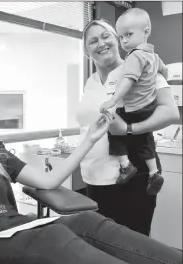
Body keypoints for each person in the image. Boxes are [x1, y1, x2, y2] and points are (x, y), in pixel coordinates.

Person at [0, 89, 182, 264]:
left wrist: (90, 139)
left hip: (20, 229)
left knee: (88, 221)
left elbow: (49, 181)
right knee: (52, 236)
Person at [76, 19, 180, 235]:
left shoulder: (142, 65)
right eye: (93, 41)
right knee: (102, 245)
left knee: (133, 245)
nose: (101, 43)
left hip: (132, 175)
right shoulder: (91, 81)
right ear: (86, 51)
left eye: (106, 36)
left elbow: (170, 111)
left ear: (118, 39)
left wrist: (128, 129)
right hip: (94, 176)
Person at [99, 8, 168, 194]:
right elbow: (165, 71)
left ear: (146, 32)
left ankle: (125, 165)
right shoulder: (154, 56)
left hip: (133, 107)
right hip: (148, 107)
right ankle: (154, 172)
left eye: (128, 34)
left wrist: (113, 100)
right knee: (144, 140)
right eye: (121, 37)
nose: (124, 41)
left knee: (114, 131)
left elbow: (128, 81)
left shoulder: (134, 56)